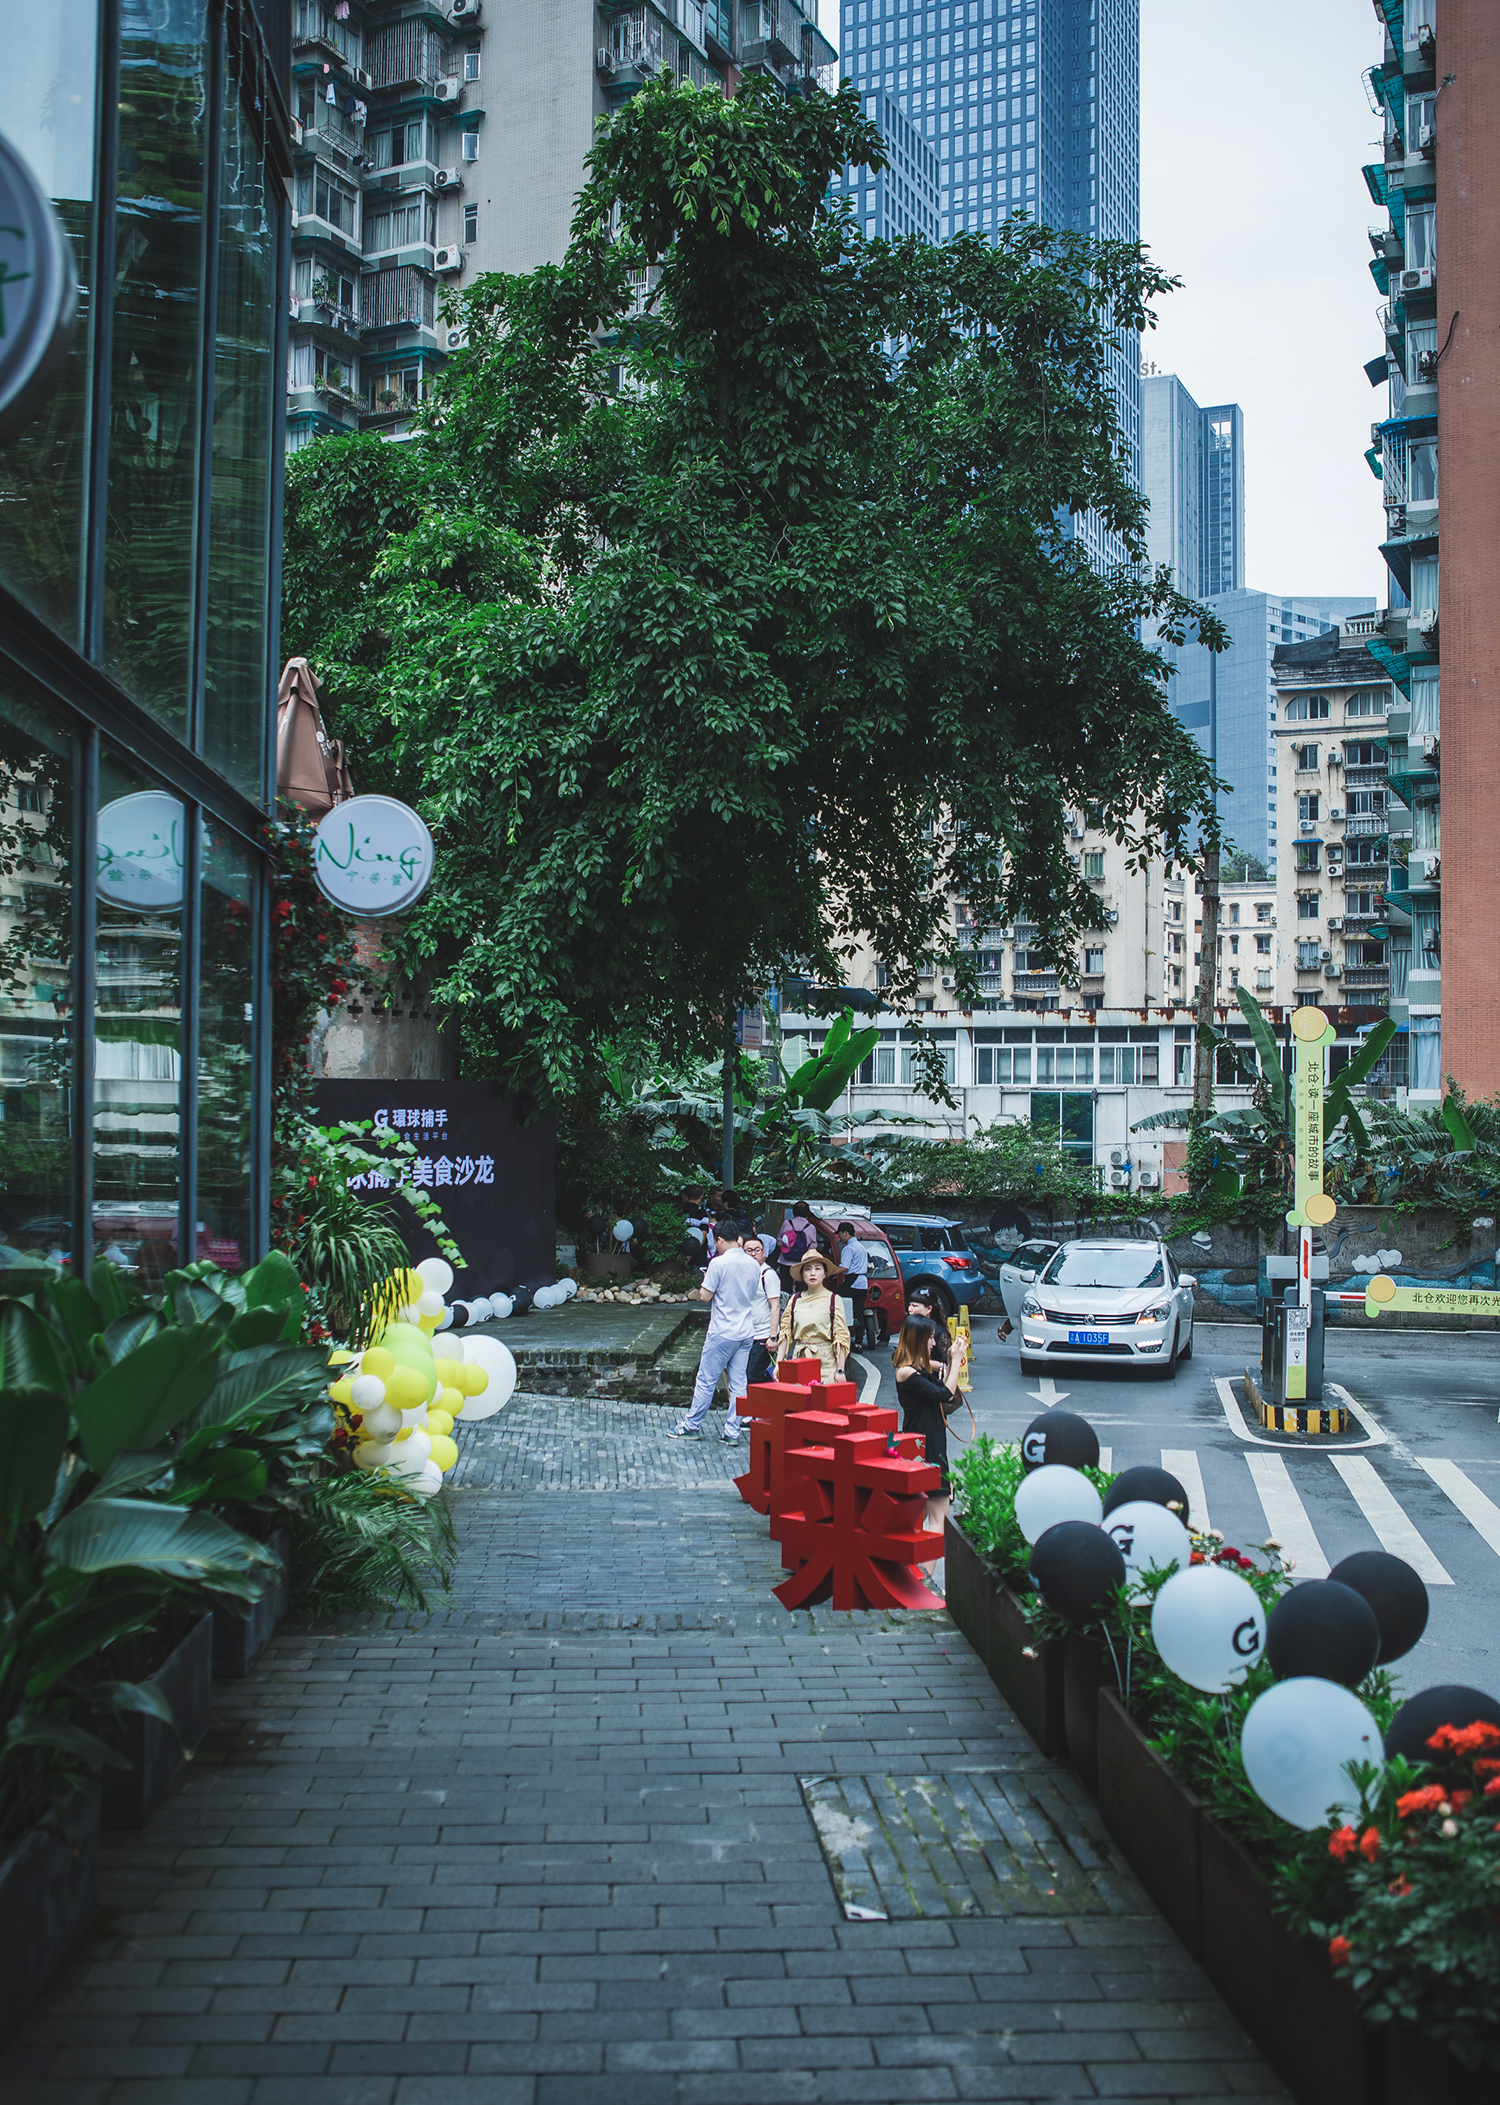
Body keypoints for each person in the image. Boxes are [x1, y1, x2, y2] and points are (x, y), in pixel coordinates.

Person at [672, 1221, 764, 1442]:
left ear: (720, 1239)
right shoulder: (753, 1264)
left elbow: (705, 1296)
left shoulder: (718, 1263)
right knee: (739, 1383)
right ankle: (732, 1431)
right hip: (745, 1331)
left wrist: (700, 1287)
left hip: (722, 1330)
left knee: (706, 1380)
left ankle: (692, 1425)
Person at [891, 1314, 968, 1567]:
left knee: (922, 1515)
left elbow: (940, 1385)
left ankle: (916, 1576)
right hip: (925, 1448)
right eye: (930, 1338)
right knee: (936, 1516)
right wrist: (955, 1360)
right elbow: (945, 1394)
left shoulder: (915, 1370)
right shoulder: (907, 1373)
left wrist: (948, 1361)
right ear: (918, 1340)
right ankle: (924, 1581)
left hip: (927, 1444)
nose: (933, 1343)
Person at [777, 1247, 849, 1384]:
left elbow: (841, 1337)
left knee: (823, 1403)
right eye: (807, 1269)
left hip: (826, 1362)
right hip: (799, 1359)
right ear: (802, 1275)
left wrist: (840, 1369)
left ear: (824, 1274)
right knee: (799, 1403)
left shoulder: (833, 1300)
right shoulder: (794, 1300)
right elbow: (786, 1333)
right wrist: (779, 1363)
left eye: (817, 1268)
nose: (812, 1273)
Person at [743, 1234, 781, 1387]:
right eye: (749, 1250)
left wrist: (773, 1337)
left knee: (754, 1375)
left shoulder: (768, 1275)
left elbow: (775, 1306)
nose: (753, 1253)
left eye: (757, 1250)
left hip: (763, 1335)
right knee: (744, 1375)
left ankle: (770, 1398)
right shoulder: (742, 1274)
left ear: (764, 1253)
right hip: (746, 1333)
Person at [900, 1282, 951, 1368]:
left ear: (929, 1309)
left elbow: (948, 1365)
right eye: (909, 1305)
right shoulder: (910, 1327)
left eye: (914, 1306)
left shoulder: (940, 1333)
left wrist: (918, 1361)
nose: (910, 1309)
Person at [834, 1222, 870, 1345]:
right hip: (863, 1282)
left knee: (834, 1299)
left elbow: (844, 1267)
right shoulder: (861, 1247)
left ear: (845, 1233)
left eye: (840, 1234)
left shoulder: (848, 1248)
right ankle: (858, 1341)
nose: (839, 1237)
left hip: (852, 1281)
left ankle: (841, 1331)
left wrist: (828, 1273)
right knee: (858, 1312)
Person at [775, 1199, 817, 1297]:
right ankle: (798, 1307)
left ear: (793, 1212)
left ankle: (786, 1307)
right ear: (807, 1213)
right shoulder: (810, 1227)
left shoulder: (787, 1223)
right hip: (802, 1262)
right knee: (801, 1289)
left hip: (785, 1261)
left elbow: (779, 1241)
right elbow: (813, 1246)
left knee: (786, 1288)